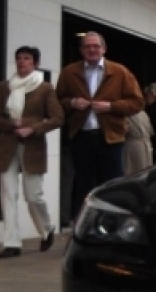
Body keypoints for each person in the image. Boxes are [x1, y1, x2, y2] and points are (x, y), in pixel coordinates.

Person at [55, 31, 145, 219]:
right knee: (83, 185)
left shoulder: (120, 72)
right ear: (81, 50)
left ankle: (113, 224)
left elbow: (137, 102)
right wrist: (72, 103)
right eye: (87, 46)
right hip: (81, 136)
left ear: (104, 49)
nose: (92, 49)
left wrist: (111, 106)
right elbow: (57, 101)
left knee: (112, 185)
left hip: (111, 138)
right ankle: (86, 226)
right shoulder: (69, 73)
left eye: (96, 46)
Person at [0, 46, 64, 257]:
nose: (22, 62)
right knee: (8, 194)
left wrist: (32, 128)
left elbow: (57, 118)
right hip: (7, 145)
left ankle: (47, 228)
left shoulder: (45, 88)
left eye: (26, 58)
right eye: (19, 59)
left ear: (35, 63)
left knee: (33, 195)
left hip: (33, 145)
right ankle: (12, 243)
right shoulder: (4, 87)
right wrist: (11, 124)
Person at [124, 109, 154, 174]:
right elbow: (151, 131)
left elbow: (124, 130)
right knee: (146, 170)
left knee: (134, 171)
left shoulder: (127, 114)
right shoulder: (143, 113)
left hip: (133, 145)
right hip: (147, 144)